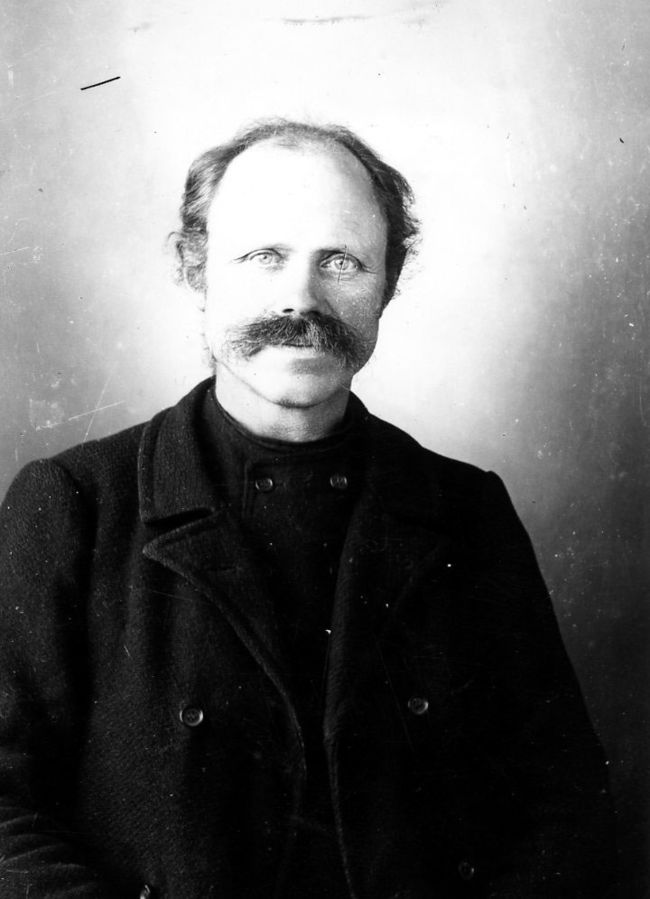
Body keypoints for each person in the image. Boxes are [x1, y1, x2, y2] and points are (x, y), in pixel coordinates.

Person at [0, 119, 616, 899]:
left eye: (341, 261)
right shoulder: (74, 505)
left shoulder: (468, 510)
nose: (302, 297)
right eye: (264, 255)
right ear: (195, 267)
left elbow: (562, 804)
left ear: (389, 280)